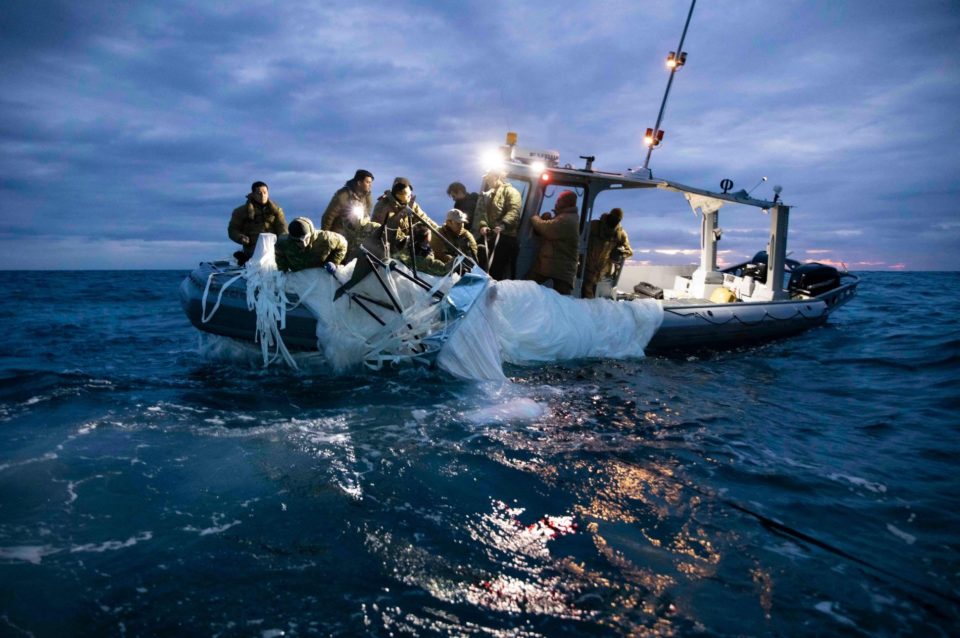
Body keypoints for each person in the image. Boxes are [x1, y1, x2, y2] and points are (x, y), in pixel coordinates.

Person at [525, 190, 580, 295]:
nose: (556, 202)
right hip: (556, 266)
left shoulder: (567, 219)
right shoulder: (565, 217)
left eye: (559, 200)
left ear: (567, 203)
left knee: (560, 301)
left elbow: (546, 229)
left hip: (560, 269)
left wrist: (535, 217)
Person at [476, 169, 522, 280]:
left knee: (496, 271)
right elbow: (481, 213)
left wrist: (503, 225)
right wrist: (483, 226)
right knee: (478, 263)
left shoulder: (512, 192)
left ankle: (494, 294)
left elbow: (514, 211)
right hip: (489, 236)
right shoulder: (487, 194)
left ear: (496, 176)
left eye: (488, 178)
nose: (486, 180)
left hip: (505, 238)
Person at [371, 177, 439, 252]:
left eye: (411, 194)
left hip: (408, 244)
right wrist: (408, 241)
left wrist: (438, 230)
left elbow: (424, 219)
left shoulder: (411, 205)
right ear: (398, 194)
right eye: (408, 195)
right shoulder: (383, 206)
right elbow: (384, 231)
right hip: (387, 247)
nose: (410, 196)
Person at [229, 181, 288, 265]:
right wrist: (240, 237)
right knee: (259, 262)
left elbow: (282, 226)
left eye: (265, 193)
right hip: (253, 246)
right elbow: (232, 229)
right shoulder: (241, 211)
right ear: (253, 194)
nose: (262, 196)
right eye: (259, 193)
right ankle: (245, 258)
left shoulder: (276, 211)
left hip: (273, 246)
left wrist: (284, 240)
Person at [582, 207, 634, 299]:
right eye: (613, 217)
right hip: (586, 270)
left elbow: (629, 251)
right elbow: (580, 237)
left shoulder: (620, 234)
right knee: (586, 298)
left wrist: (620, 252)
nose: (614, 220)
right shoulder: (594, 226)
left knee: (598, 302)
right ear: (609, 216)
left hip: (603, 274)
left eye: (617, 219)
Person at [274, 217, 347, 273]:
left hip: (321, 276)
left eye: (306, 239)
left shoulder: (325, 238)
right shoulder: (284, 242)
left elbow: (343, 244)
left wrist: (334, 262)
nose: (303, 244)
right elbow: (279, 255)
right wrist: (283, 271)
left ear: (310, 234)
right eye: (298, 241)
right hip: (299, 278)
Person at [320, 169, 374, 235]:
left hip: (357, 236)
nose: (370, 185)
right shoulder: (343, 195)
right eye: (367, 182)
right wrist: (325, 236)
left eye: (371, 183)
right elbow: (329, 216)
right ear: (359, 183)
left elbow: (367, 216)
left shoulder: (367, 197)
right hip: (339, 235)